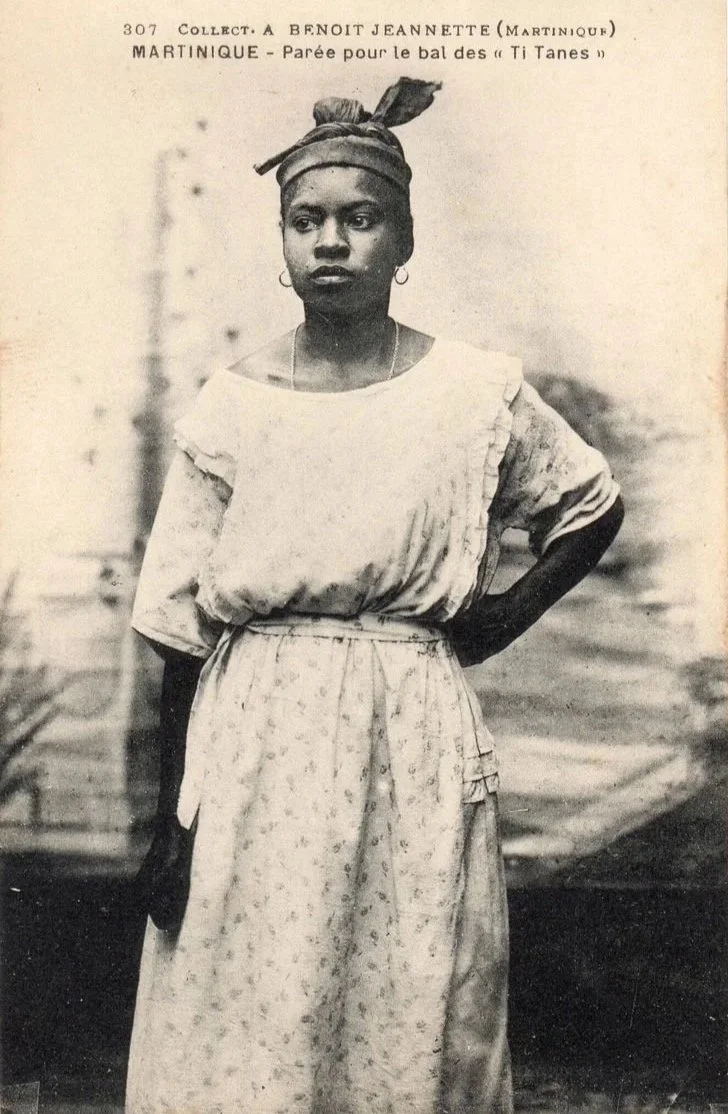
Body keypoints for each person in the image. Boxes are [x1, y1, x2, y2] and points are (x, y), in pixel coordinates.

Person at [125, 78, 624, 1114]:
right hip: (254, 737)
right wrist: (170, 823)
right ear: (281, 244)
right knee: (249, 995)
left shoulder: (470, 391)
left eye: (361, 219)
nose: (332, 243)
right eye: (307, 221)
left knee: (410, 985)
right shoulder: (233, 405)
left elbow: (587, 504)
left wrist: (499, 615)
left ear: (403, 238)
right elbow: (177, 630)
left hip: (408, 731)